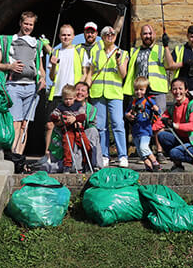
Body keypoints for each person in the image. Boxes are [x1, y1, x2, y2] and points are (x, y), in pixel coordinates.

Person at [0, 11, 47, 172]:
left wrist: (43, 79)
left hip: (31, 88)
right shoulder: (7, 40)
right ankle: (14, 157)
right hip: (13, 86)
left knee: (25, 125)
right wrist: (10, 66)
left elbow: (40, 68)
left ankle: (19, 159)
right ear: (20, 23)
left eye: (31, 24)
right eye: (26, 24)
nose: (28, 27)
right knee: (15, 123)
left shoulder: (37, 44)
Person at [46, 24, 91, 152]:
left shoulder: (80, 51)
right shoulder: (55, 52)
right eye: (63, 35)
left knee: (73, 125)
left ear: (73, 36)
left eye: (68, 35)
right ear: (60, 36)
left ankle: (73, 153)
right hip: (57, 93)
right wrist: (54, 65)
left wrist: (77, 90)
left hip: (72, 95)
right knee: (51, 125)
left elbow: (85, 73)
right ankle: (48, 154)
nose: (66, 37)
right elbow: (52, 76)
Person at [154, 78, 193, 173]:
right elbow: (159, 122)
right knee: (162, 136)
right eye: (174, 89)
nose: (177, 92)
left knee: (174, 153)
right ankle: (178, 166)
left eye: (180, 89)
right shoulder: (173, 108)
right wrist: (144, 135)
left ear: (186, 90)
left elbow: (192, 126)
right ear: (171, 91)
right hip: (185, 140)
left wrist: (174, 125)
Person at [90, 25, 130, 167]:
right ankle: (104, 155)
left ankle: (122, 155)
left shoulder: (122, 53)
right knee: (100, 126)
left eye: (112, 33)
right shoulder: (95, 52)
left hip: (114, 92)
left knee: (117, 123)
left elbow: (123, 74)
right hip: (97, 92)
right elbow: (90, 73)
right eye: (106, 33)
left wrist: (119, 62)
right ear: (102, 36)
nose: (110, 35)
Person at [123, 23, 172, 114]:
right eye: (145, 34)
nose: (148, 36)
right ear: (141, 35)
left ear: (154, 35)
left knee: (158, 119)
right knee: (140, 119)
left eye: (150, 33)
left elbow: (170, 65)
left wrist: (166, 46)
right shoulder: (134, 51)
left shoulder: (161, 50)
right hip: (140, 91)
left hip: (157, 90)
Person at [48, 84, 88, 173]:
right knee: (67, 144)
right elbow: (53, 115)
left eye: (70, 99)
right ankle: (67, 165)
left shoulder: (78, 106)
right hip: (67, 130)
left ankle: (86, 164)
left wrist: (75, 119)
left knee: (86, 144)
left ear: (74, 97)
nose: (68, 101)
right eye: (66, 99)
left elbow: (83, 116)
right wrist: (59, 117)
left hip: (78, 130)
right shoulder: (60, 107)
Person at [126, 76, 162, 171]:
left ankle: (155, 162)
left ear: (146, 89)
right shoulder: (133, 102)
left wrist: (156, 109)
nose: (139, 92)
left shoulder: (148, 101)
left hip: (145, 129)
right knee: (139, 151)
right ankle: (149, 166)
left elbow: (158, 111)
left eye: (141, 90)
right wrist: (128, 115)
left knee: (143, 147)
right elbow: (127, 113)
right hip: (136, 130)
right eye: (136, 90)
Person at [165, 24, 193, 98]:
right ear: (187, 36)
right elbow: (169, 66)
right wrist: (183, 64)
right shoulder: (179, 49)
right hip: (181, 90)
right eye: (191, 37)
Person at [74, 81, 103, 170]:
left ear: (87, 94)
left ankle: (96, 164)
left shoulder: (91, 108)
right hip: (72, 130)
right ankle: (77, 166)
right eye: (77, 90)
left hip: (86, 129)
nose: (80, 92)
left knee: (93, 132)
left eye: (83, 91)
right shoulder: (69, 105)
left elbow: (89, 122)